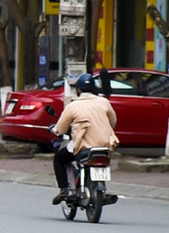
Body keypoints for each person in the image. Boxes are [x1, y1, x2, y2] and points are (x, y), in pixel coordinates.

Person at [50, 73, 118, 205]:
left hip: (82, 147)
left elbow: (61, 129)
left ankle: (64, 190)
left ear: (78, 90)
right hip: (104, 146)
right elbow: (113, 122)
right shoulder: (104, 102)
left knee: (59, 158)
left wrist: (54, 130)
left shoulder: (73, 106)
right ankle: (100, 190)